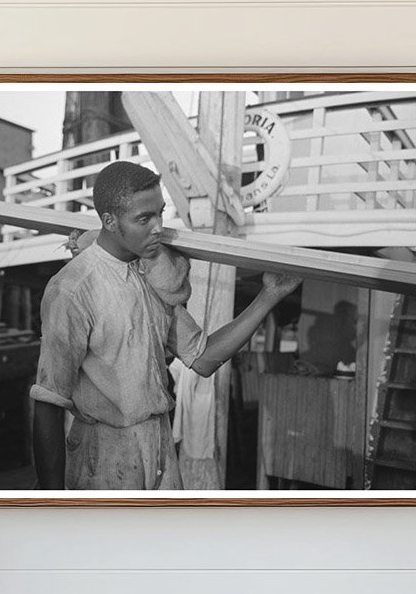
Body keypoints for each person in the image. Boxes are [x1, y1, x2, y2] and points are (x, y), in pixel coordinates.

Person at [30, 161, 300, 490]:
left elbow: (202, 358)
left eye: (160, 213)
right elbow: (48, 401)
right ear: (110, 221)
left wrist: (269, 295)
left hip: (158, 444)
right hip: (102, 456)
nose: (158, 227)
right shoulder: (72, 289)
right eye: (144, 219)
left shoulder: (153, 277)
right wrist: (51, 498)